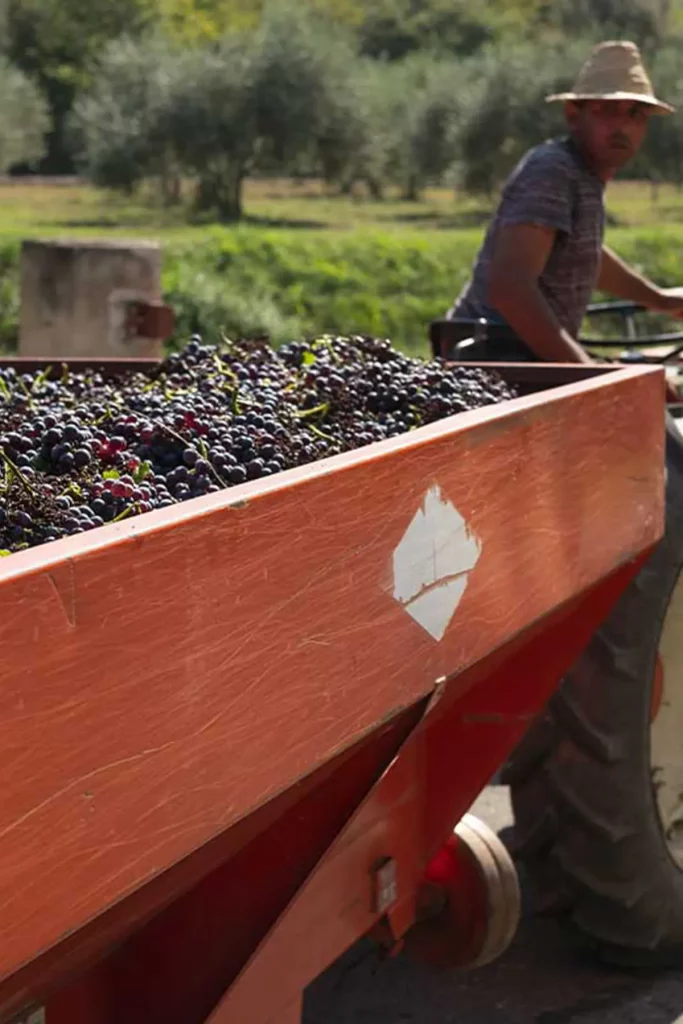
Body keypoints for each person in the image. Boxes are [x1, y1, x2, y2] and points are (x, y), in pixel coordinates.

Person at [447, 40, 683, 364]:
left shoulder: (583, 176)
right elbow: (510, 289)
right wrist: (588, 374)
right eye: (606, 110)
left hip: (524, 358)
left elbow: (581, 253)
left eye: (635, 114)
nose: (622, 126)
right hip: (492, 358)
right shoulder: (552, 171)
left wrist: (658, 299)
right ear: (574, 114)